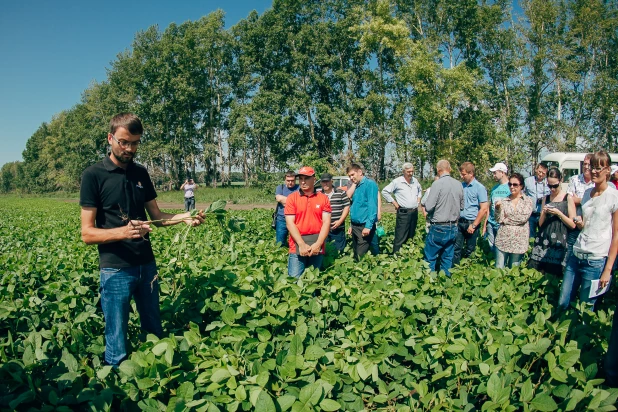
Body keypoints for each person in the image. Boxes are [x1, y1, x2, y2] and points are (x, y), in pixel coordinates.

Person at [79, 113, 205, 367]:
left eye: (134, 143)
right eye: (123, 142)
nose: (129, 149)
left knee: (153, 326)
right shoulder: (93, 175)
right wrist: (122, 232)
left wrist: (185, 217)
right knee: (116, 334)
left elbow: (157, 216)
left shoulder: (140, 173)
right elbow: (87, 233)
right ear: (110, 138)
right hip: (115, 268)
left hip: (146, 265)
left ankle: (157, 374)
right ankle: (116, 381)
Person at [557, 151, 618, 312]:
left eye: (599, 168)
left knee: (585, 308)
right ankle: (561, 335)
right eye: (592, 167)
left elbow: (616, 235)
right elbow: (587, 224)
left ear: (608, 170)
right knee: (563, 302)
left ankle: (579, 336)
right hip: (576, 254)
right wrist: (579, 221)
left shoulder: (614, 197)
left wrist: (607, 270)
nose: (594, 171)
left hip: (596, 260)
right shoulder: (586, 194)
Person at [284, 167, 332, 277]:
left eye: (306, 178)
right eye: (300, 178)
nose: (303, 181)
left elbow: (326, 222)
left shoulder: (323, 198)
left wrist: (318, 244)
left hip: (317, 243)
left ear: (314, 179)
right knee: (295, 279)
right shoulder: (292, 198)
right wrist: (301, 244)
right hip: (297, 243)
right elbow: (290, 223)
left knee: (313, 280)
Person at [527, 168, 575, 276]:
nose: (552, 189)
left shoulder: (568, 198)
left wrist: (559, 213)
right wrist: (543, 212)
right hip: (544, 239)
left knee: (554, 274)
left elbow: (572, 224)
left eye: (555, 186)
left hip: (559, 241)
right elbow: (540, 224)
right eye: (549, 186)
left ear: (561, 180)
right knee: (538, 272)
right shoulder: (546, 198)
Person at [421, 160, 464, 276]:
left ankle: (429, 282)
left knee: (430, 256)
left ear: (438, 170)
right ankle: (445, 284)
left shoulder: (437, 184)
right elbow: (462, 206)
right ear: (449, 169)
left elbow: (429, 206)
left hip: (439, 226)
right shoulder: (458, 184)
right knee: (448, 257)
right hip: (453, 226)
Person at [494, 173, 534, 269]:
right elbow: (498, 219)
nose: (512, 187)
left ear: (521, 186)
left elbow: (523, 218)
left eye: (515, 184)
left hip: (519, 241)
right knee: (499, 269)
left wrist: (506, 219)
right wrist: (498, 209)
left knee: (514, 270)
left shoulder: (528, 201)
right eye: (510, 184)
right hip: (503, 239)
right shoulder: (503, 201)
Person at [381, 163, 422, 254]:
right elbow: (385, 191)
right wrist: (394, 202)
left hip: (414, 212)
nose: (410, 173)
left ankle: (408, 255)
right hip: (403, 212)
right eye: (408, 172)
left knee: (411, 235)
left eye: (412, 171)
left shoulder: (415, 181)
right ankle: (396, 256)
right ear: (403, 172)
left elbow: (419, 190)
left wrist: (418, 199)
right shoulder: (397, 182)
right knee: (401, 236)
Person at [453, 162, 488, 264]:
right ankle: (454, 270)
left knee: (470, 249)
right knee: (456, 248)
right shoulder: (460, 186)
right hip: (460, 222)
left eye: (463, 174)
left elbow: (484, 209)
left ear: (471, 173)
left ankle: (468, 270)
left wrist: (474, 225)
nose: (461, 176)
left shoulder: (480, 188)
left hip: (472, 222)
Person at [565, 154, 595, 265]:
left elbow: (595, 202)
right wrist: (587, 199)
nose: (586, 167)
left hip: (590, 225)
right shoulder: (574, 179)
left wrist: (578, 199)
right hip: (575, 223)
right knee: (571, 255)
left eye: (589, 164)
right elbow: (570, 199)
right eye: (585, 164)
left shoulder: (596, 183)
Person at [346, 163, 379, 260]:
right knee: (356, 253)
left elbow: (372, 206)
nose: (351, 178)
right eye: (349, 176)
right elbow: (354, 206)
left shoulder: (370, 184)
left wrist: (368, 227)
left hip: (364, 226)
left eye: (352, 174)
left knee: (361, 255)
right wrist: (351, 225)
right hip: (355, 225)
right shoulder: (356, 186)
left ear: (360, 172)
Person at [319, 173, 350, 253]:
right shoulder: (318, 195)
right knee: (324, 251)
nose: (325, 183)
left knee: (339, 250)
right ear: (321, 183)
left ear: (331, 181)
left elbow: (347, 206)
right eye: (323, 182)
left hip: (337, 228)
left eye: (327, 181)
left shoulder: (340, 192)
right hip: (322, 229)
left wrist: (340, 221)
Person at [483, 163, 511, 251]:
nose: (493, 175)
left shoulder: (511, 187)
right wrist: (485, 223)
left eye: (495, 173)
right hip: (491, 222)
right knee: (492, 248)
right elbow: (489, 206)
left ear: (502, 173)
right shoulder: (494, 188)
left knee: (501, 249)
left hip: (502, 223)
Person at [524, 163, 550, 238]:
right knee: (530, 236)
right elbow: (522, 194)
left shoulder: (548, 182)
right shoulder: (528, 181)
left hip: (543, 214)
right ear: (536, 170)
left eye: (543, 173)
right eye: (539, 171)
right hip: (531, 214)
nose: (541, 174)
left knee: (543, 235)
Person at [275, 171, 299, 246]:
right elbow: (278, 198)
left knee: (296, 241)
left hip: (296, 219)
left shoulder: (299, 188)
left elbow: (302, 202)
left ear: (295, 180)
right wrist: (294, 202)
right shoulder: (280, 187)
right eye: (288, 180)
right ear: (285, 180)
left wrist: (285, 200)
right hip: (282, 218)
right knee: (280, 242)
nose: (290, 182)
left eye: (292, 180)